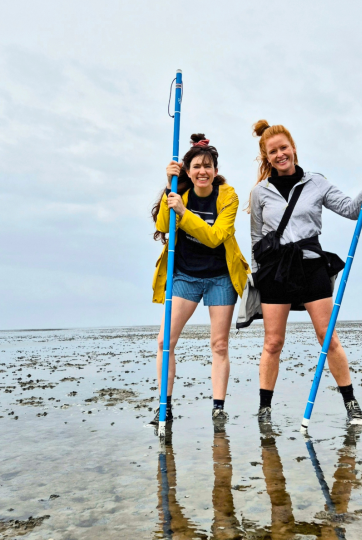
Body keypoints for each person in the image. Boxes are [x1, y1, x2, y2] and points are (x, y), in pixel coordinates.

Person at [248, 120, 362, 426]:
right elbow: (257, 238)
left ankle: (351, 404)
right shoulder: (260, 192)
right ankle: (264, 411)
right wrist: (258, 274)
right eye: (273, 151)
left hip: (312, 264)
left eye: (284, 147)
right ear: (267, 157)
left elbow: (353, 209)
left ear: (293, 148)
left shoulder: (317, 182)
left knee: (328, 337)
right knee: (273, 342)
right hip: (274, 272)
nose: (280, 154)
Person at [150, 134, 250, 427]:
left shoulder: (228, 196)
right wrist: (169, 192)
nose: (202, 171)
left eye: (207, 166)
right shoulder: (177, 193)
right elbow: (162, 226)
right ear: (187, 171)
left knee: (219, 345)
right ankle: (164, 408)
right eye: (196, 166)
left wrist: (184, 212)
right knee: (164, 341)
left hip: (221, 276)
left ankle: (218, 408)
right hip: (185, 275)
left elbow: (215, 237)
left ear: (215, 171)